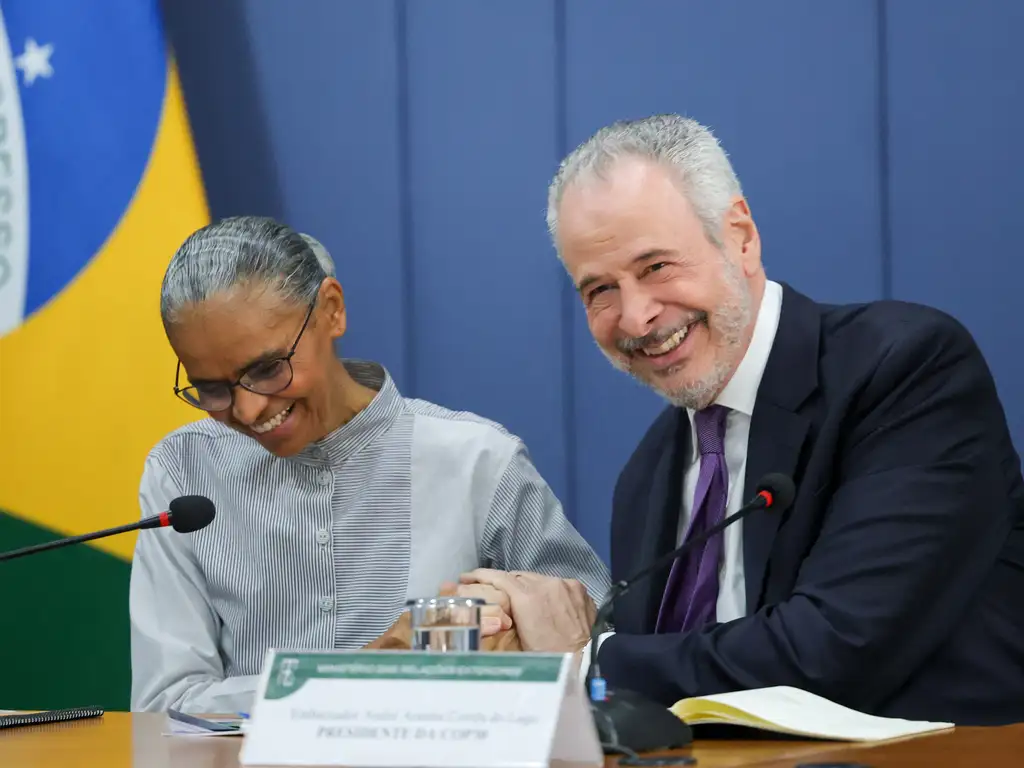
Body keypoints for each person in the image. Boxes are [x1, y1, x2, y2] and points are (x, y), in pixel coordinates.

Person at [459, 115, 1024, 725]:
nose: (635, 316)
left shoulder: (903, 370)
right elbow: (660, 695)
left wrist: (580, 663)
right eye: (599, 290)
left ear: (742, 237)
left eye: (655, 267)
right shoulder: (647, 474)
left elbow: (835, 649)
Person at [128, 216, 609, 713]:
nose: (248, 410)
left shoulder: (477, 461)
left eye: (268, 369)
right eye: (213, 389)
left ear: (331, 311)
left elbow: (598, 655)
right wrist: (381, 666)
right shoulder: (181, 473)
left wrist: (510, 631)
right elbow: (165, 704)